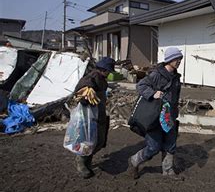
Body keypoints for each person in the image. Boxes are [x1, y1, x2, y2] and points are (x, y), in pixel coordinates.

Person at [128, 47, 183, 179]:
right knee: (154, 146)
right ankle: (134, 161)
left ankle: (168, 171)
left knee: (170, 144)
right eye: (176, 58)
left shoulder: (176, 77)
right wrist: (153, 94)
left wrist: (175, 110)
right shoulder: (157, 74)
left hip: (169, 116)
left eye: (180, 58)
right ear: (169, 59)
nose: (179, 61)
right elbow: (140, 86)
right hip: (154, 117)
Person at [73, 56, 115, 179]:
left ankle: (87, 160)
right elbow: (83, 86)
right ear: (104, 69)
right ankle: (81, 161)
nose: (109, 73)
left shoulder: (101, 78)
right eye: (109, 71)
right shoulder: (92, 77)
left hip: (99, 113)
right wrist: (87, 91)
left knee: (98, 141)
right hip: (90, 115)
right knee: (89, 140)